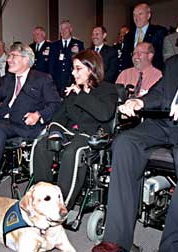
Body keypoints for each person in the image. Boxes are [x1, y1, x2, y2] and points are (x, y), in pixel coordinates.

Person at [92, 1, 178, 252]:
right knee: (126, 141)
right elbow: (160, 93)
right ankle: (117, 239)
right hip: (168, 123)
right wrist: (138, 101)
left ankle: (177, 247)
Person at [0, 43, 61, 196]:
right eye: (9, 56)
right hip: (4, 122)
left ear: (25, 59)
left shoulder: (42, 79)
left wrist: (38, 115)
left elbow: (55, 104)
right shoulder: (9, 79)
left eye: (12, 56)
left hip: (25, 125)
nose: (8, 59)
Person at [33, 49, 118, 208]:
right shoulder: (72, 92)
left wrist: (80, 94)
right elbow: (60, 115)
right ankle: (43, 198)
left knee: (73, 151)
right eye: (73, 68)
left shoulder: (108, 89)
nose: (73, 73)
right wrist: (55, 131)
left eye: (78, 68)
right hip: (71, 133)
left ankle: (62, 205)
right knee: (42, 145)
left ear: (91, 69)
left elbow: (104, 114)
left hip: (93, 136)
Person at [120, 3, 167, 72]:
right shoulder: (128, 36)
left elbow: (162, 56)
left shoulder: (159, 32)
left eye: (140, 14)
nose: (137, 18)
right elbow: (125, 59)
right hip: (132, 75)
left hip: (152, 74)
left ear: (148, 15)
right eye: (134, 15)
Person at [49, 20, 85, 96]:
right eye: (61, 29)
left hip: (72, 79)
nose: (63, 31)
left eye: (66, 28)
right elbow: (51, 64)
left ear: (70, 29)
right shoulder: (54, 45)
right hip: (57, 80)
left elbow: (82, 63)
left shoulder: (78, 44)